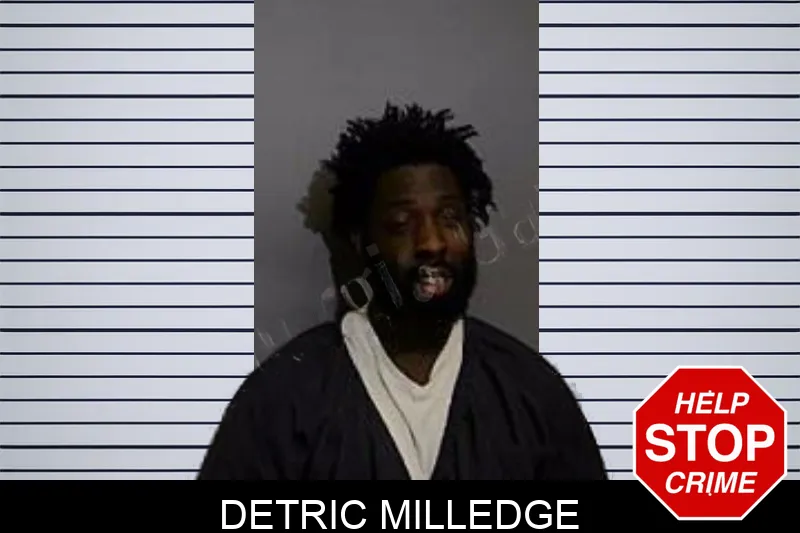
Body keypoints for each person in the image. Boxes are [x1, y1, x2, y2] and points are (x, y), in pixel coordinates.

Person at [197, 102, 607, 480]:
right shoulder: (282, 399)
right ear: (361, 240)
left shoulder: (533, 393)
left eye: (450, 218)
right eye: (400, 223)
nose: (432, 242)